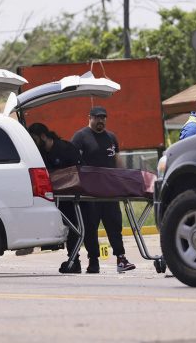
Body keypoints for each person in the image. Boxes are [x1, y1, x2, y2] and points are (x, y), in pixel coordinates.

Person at [71, 106, 136, 274]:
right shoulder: (80, 137)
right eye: (97, 117)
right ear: (90, 117)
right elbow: (73, 164)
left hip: (110, 193)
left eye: (104, 117)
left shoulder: (111, 138)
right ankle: (93, 261)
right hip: (90, 194)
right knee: (90, 228)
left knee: (115, 226)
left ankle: (121, 258)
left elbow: (117, 161)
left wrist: (124, 181)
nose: (101, 120)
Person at [28, 123, 83, 273]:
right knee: (68, 227)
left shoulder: (66, 149)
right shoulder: (39, 153)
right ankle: (73, 259)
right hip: (54, 197)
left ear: (43, 136)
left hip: (73, 196)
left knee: (77, 227)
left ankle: (79, 261)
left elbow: (76, 172)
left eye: (34, 139)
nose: (33, 142)